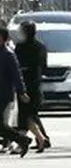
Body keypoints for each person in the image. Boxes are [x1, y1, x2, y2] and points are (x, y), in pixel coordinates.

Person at [14, 21, 48, 153]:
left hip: (28, 84)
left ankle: (30, 140)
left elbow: (19, 65)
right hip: (33, 83)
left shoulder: (25, 47)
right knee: (28, 114)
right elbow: (43, 66)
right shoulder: (40, 47)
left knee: (27, 114)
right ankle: (41, 139)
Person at [0, 27, 31, 157]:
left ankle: (21, 139)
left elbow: (17, 74)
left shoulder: (8, 54)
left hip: (3, 93)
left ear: (4, 39)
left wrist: (22, 91)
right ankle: (21, 140)